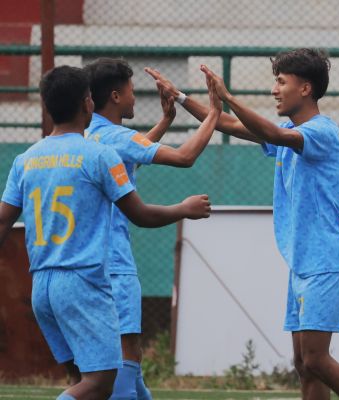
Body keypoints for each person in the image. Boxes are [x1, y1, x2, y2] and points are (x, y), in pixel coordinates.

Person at [147, 48, 339, 400]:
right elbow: (224, 123)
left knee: (317, 359)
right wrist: (180, 96)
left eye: (281, 82)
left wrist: (228, 97)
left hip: (326, 261)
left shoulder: (322, 131)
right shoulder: (285, 129)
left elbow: (274, 134)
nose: (274, 90)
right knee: (303, 364)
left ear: (306, 89)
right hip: (301, 263)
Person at [0, 65, 211, 400]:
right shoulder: (99, 155)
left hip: (41, 285)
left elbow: (2, 222)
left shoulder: (25, 160)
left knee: (84, 381)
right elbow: (140, 213)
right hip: (83, 281)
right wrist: (183, 209)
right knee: (103, 381)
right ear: (88, 103)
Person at [83, 58, 221, 400]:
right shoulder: (118, 137)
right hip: (114, 263)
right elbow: (184, 156)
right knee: (127, 357)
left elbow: (133, 150)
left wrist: (165, 121)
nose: (134, 98)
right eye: (131, 91)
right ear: (115, 96)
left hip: (90, 262)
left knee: (123, 365)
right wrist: (215, 113)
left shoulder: (93, 133)